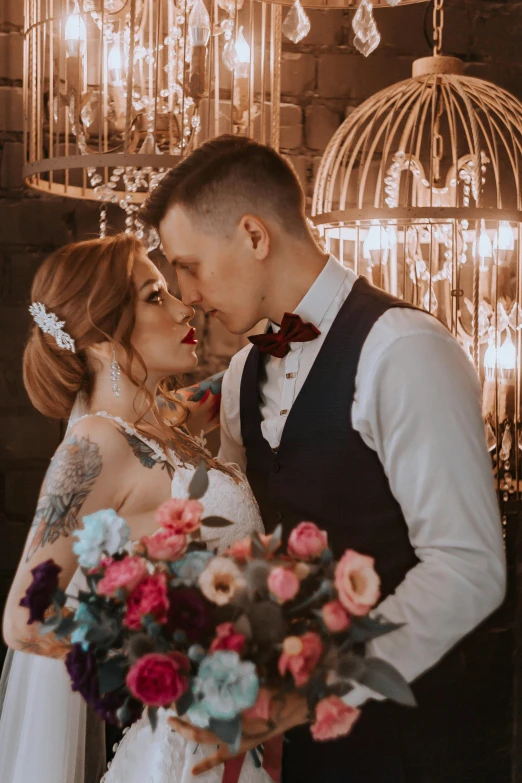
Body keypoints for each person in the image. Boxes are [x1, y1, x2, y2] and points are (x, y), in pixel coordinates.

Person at [138, 134, 507, 783]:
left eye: (189, 265)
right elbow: (243, 540)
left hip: (414, 745)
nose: (186, 292)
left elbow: (468, 567)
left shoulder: (405, 350)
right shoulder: (245, 370)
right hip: (298, 756)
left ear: (254, 236)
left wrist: (310, 689)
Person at [0, 233, 266, 783]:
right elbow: (24, 620)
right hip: (188, 739)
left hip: (246, 726)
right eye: (155, 296)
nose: (182, 305)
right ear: (100, 339)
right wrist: (161, 662)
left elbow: (242, 376)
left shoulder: (171, 427)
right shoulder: (96, 443)